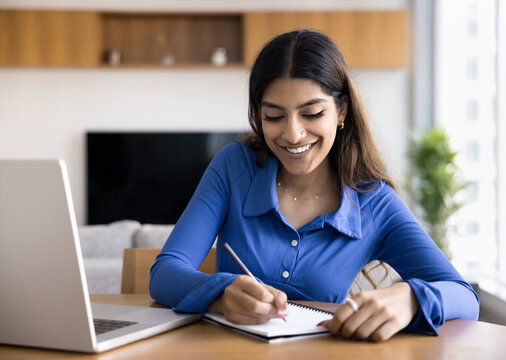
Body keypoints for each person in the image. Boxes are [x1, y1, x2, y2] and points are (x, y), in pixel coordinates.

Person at [149, 29, 479, 341]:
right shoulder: (234, 167)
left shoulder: (374, 201)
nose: (292, 134)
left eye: (312, 113)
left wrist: (411, 298)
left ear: (341, 111)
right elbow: (165, 273)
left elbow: (464, 297)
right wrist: (221, 295)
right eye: (274, 116)